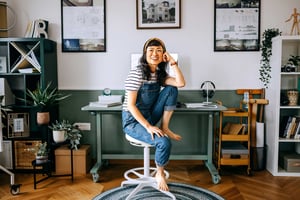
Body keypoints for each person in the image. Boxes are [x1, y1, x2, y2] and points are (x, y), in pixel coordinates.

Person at [122, 38, 186, 191]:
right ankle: (160, 173)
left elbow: (180, 83)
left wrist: (173, 62)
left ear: (163, 54)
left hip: (150, 115)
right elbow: (131, 106)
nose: (155, 54)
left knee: (172, 89)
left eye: (159, 50)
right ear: (145, 54)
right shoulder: (136, 73)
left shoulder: (159, 74)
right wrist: (149, 126)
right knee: (164, 142)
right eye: (151, 50)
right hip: (133, 121)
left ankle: (165, 127)